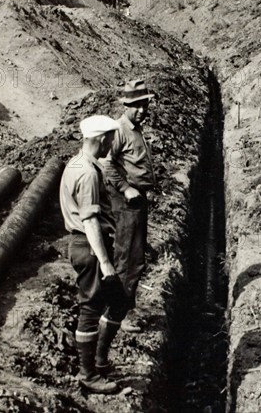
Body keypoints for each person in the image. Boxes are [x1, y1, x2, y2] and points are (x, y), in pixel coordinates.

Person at [60, 115, 128, 394]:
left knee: (119, 301)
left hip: (84, 245)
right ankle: (88, 374)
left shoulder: (76, 164)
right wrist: (105, 262)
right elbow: (89, 222)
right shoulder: (87, 173)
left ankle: (98, 362)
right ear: (100, 139)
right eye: (110, 139)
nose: (112, 144)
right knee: (90, 308)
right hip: (89, 247)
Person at [103, 79, 156, 333]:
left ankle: (126, 308)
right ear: (126, 105)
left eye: (144, 104)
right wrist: (126, 188)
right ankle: (119, 314)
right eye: (136, 106)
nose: (142, 110)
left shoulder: (135, 127)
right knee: (127, 258)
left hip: (136, 201)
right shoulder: (119, 130)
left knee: (135, 258)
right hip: (126, 203)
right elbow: (107, 165)